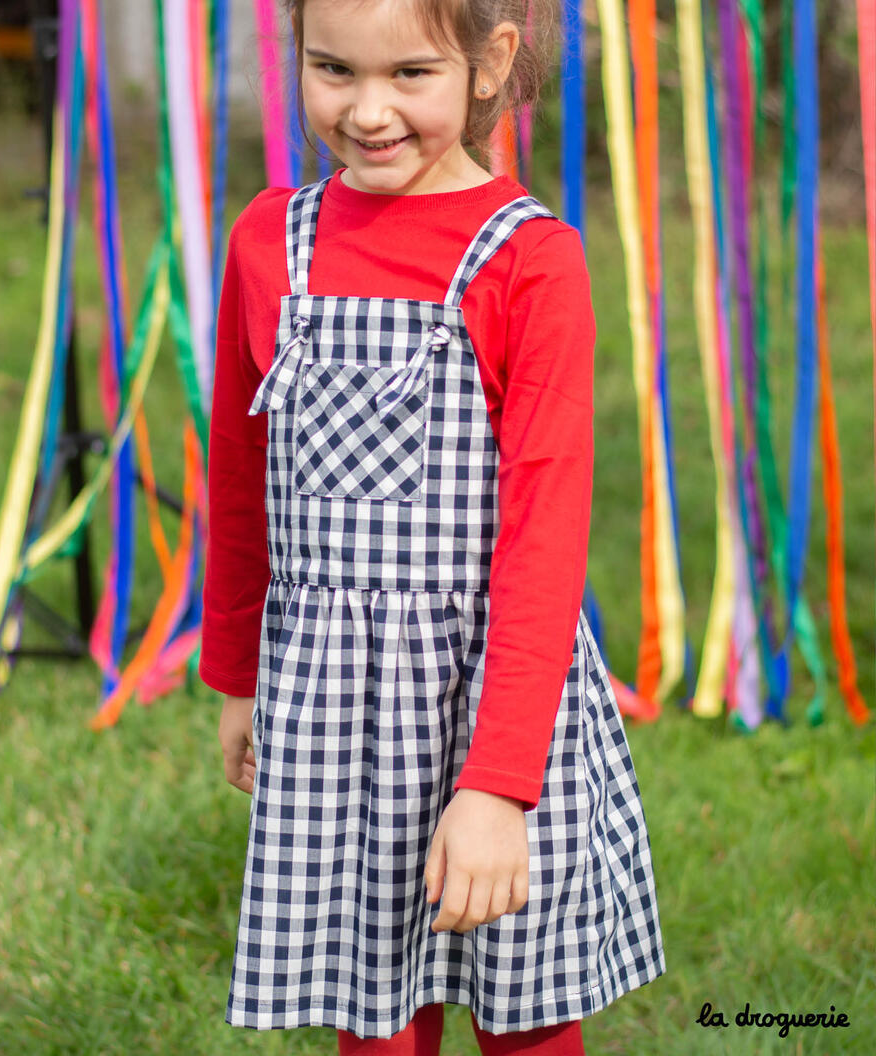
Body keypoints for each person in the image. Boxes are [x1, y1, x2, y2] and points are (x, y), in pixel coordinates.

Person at [200, 0, 666, 1052]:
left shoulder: (531, 262)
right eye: (332, 70)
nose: (367, 112)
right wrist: (237, 676)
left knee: (524, 1009)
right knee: (373, 1012)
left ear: (491, 61)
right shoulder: (269, 240)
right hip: (334, 711)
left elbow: (545, 541)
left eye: (411, 74)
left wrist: (502, 786)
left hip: (494, 698)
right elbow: (239, 476)